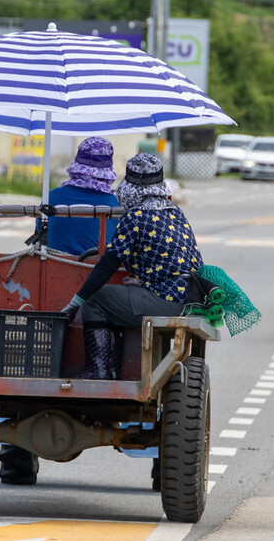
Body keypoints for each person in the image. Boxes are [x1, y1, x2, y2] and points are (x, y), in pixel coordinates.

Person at [0, 136, 120, 486]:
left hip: (44, 309)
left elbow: (40, 240)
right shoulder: (116, 206)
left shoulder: (51, 199)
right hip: (100, 309)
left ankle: (16, 460)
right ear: (108, 170)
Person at [61, 152, 205, 380]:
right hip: (190, 298)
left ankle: (99, 371)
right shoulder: (176, 212)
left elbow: (107, 265)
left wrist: (75, 301)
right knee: (117, 301)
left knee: (97, 300)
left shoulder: (135, 216)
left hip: (167, 301)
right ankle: (111, 370)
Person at [43, 136, 121, 255]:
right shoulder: (116, 205)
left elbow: (40, 234)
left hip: (52, 266)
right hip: (97, 270)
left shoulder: (51, 197)